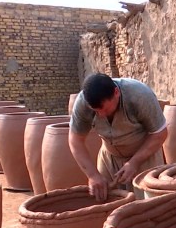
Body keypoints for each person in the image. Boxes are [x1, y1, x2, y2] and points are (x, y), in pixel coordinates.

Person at [69, 73, 167, 201]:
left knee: (148, 208)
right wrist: (93, 175)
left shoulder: (139, 95)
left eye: (104, 109)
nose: (101, 115)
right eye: (96, 111)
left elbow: (160, 133)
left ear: (116, 92)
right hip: (109, 157)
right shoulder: (83, 103)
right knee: (106, 204)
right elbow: (75, 141)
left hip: (145, 155)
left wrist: (134, 162)